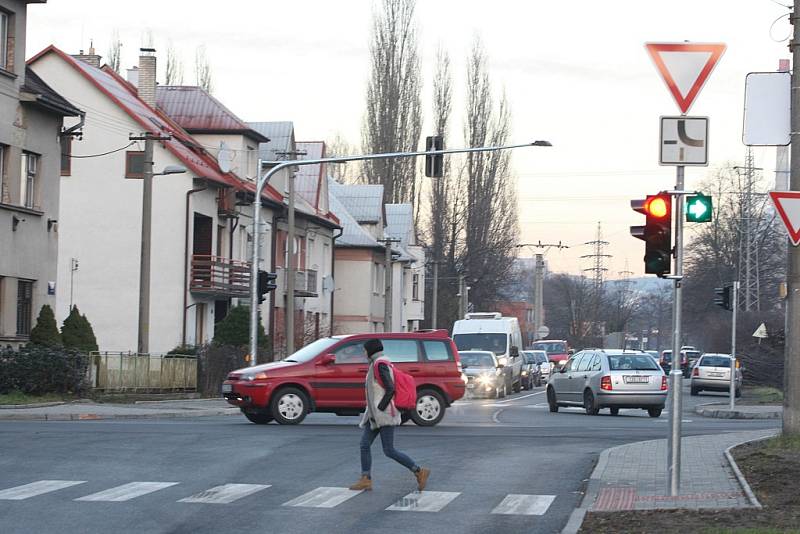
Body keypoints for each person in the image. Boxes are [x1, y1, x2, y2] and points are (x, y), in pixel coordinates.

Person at [349, 338, 430, 492]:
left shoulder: (380, 365)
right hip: (374, 415)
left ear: (371, 350)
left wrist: (380, 407)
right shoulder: (376, 364)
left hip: (384, 414)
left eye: (365, 349)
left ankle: (419, 471)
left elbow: (390, 388)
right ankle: (366, 479)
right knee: (364, 444)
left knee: (389, 450)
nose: (364, 352)